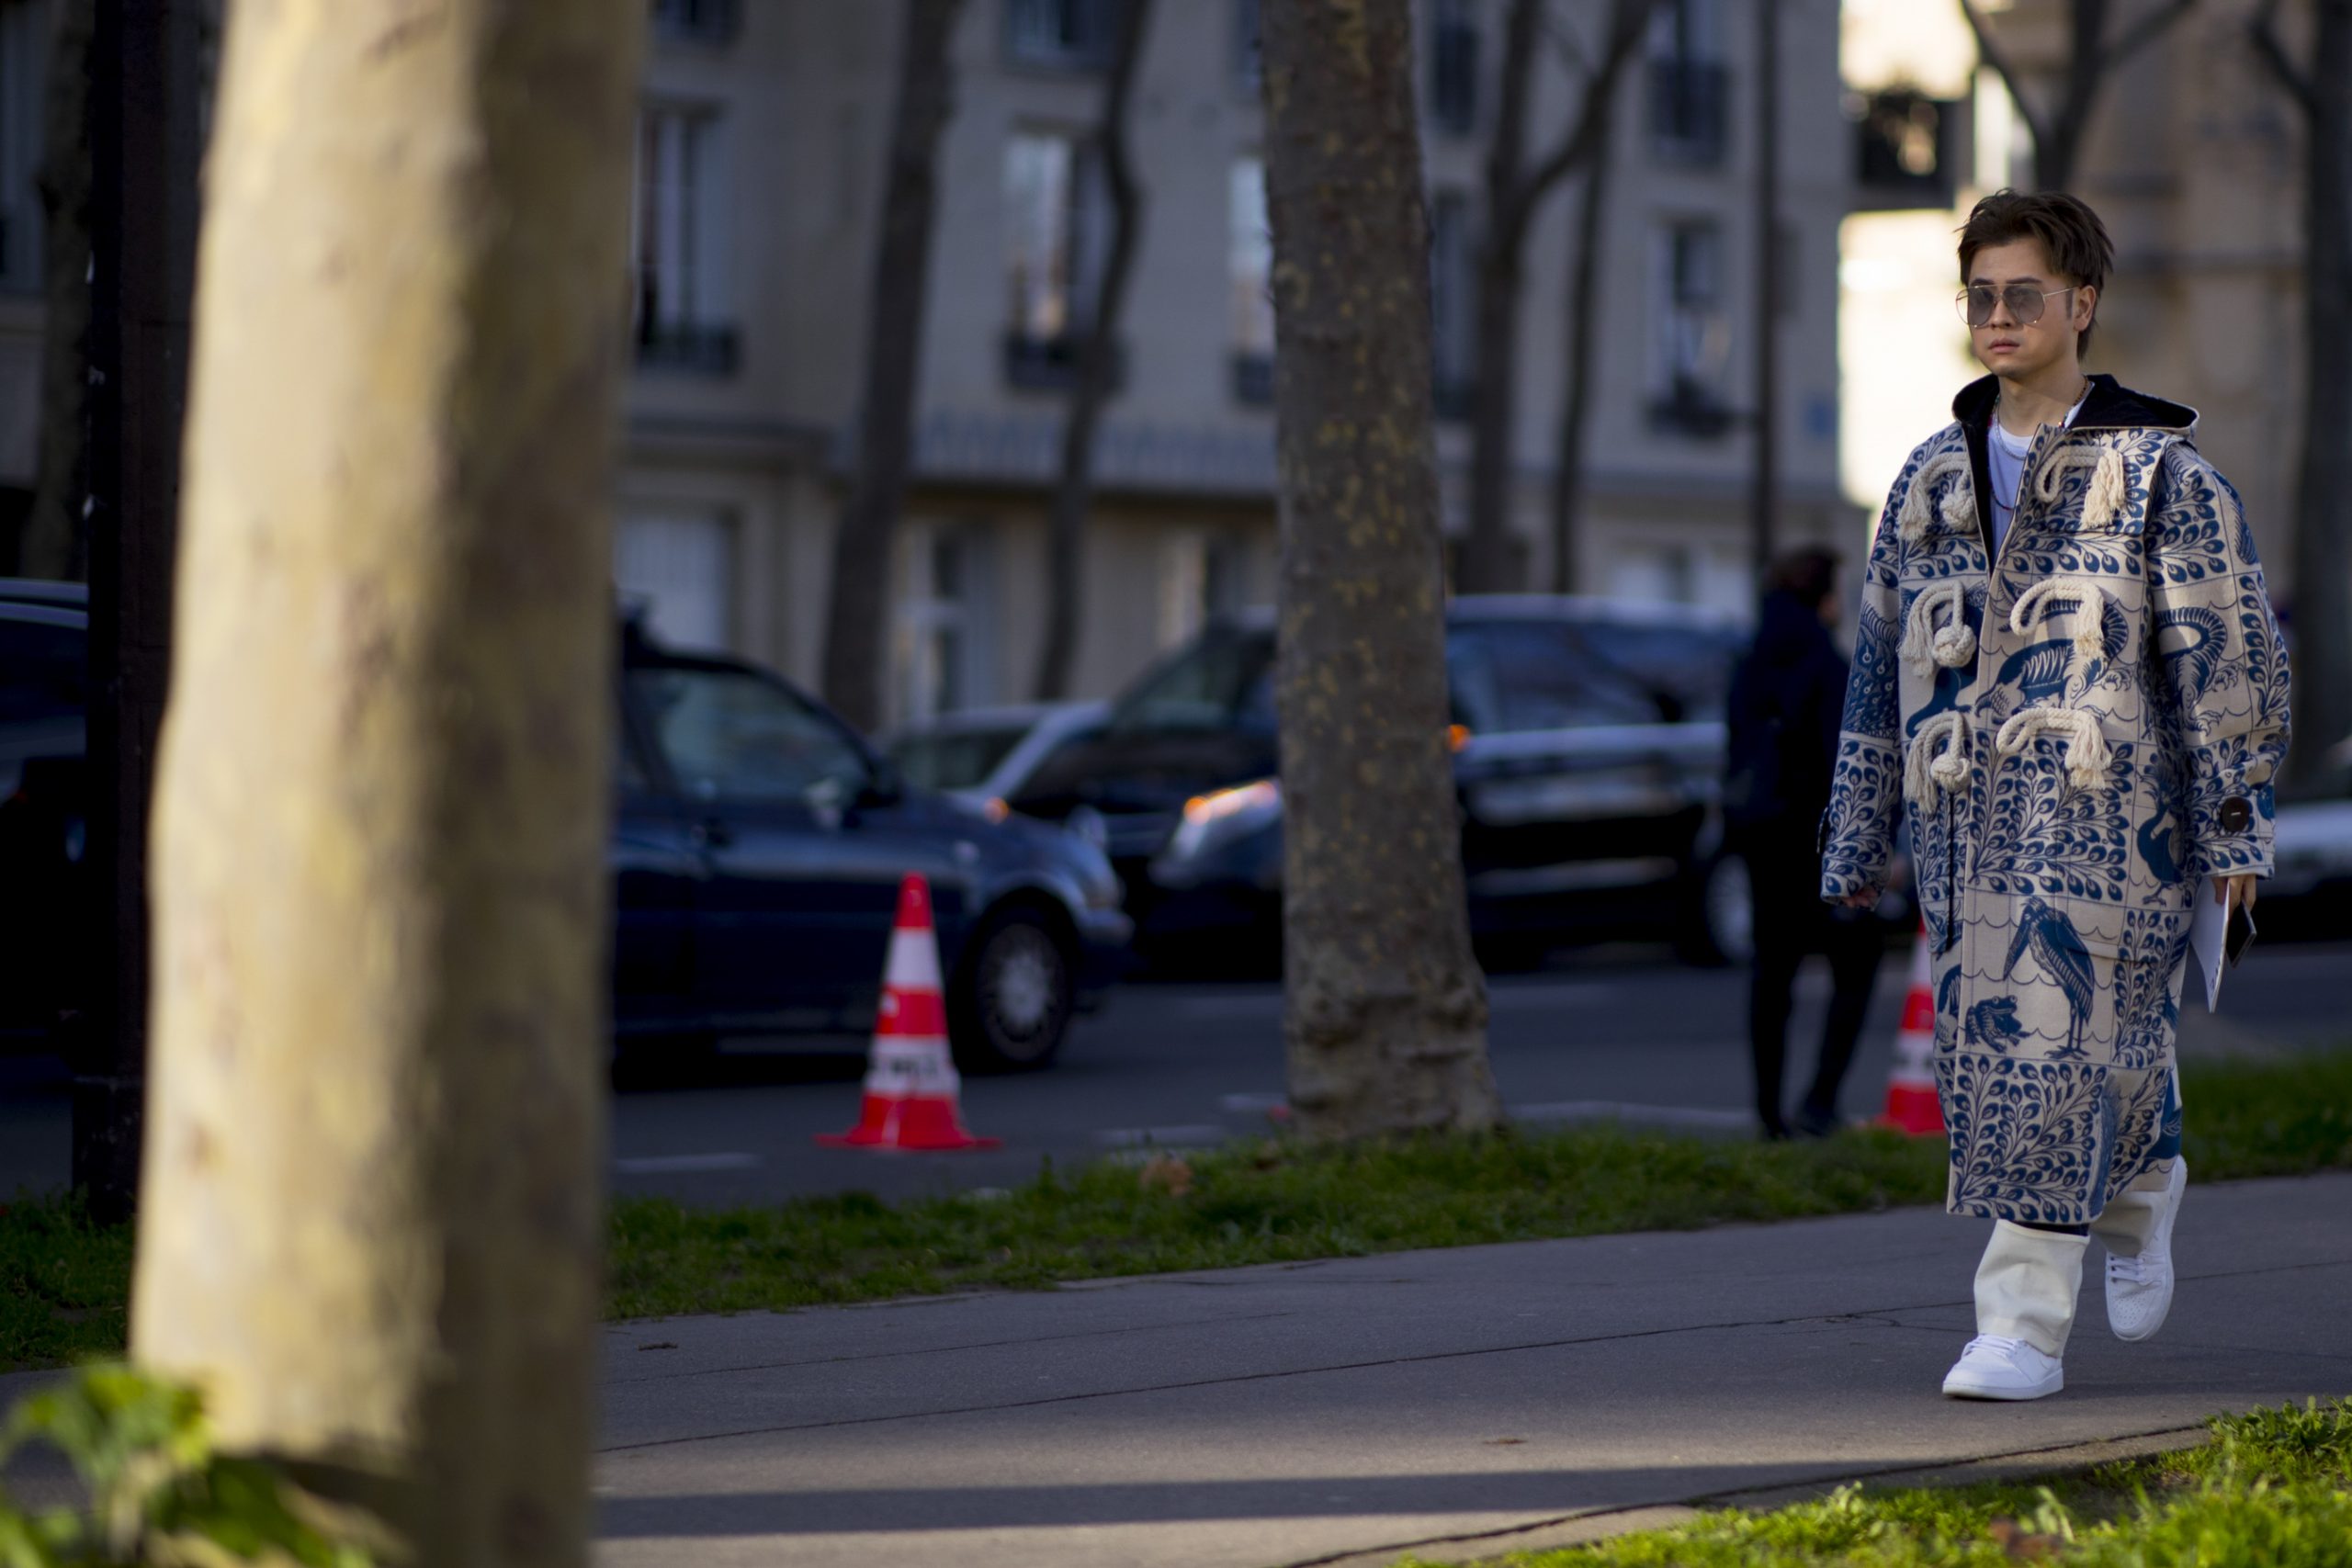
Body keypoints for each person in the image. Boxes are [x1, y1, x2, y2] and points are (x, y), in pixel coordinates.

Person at [1817, 190, 2290, 1401]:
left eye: (2024, 292)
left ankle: (2017, 1326)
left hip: (2118, 819)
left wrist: (2237, 820)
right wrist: (1854, 830)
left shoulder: (2162, 477)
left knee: (2054, 1043)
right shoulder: (1926, 478)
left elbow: (2228, 657)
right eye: (1981, 293)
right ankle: (2144, 1178)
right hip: (1963, 826)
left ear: (2081, 303)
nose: (1999, 315)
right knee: (2035, 1056)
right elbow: (1878, 658)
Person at [1724, 547, 1885, 1141]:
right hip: (1816, 846)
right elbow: (1844, 763)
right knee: (1856, 961)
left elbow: (1735, 749)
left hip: (1761, 838)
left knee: (1772, 973)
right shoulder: (1828, 663)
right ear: (1825, 597)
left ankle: (1769, 1113)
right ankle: (1820, 1101)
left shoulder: (1749, 661)